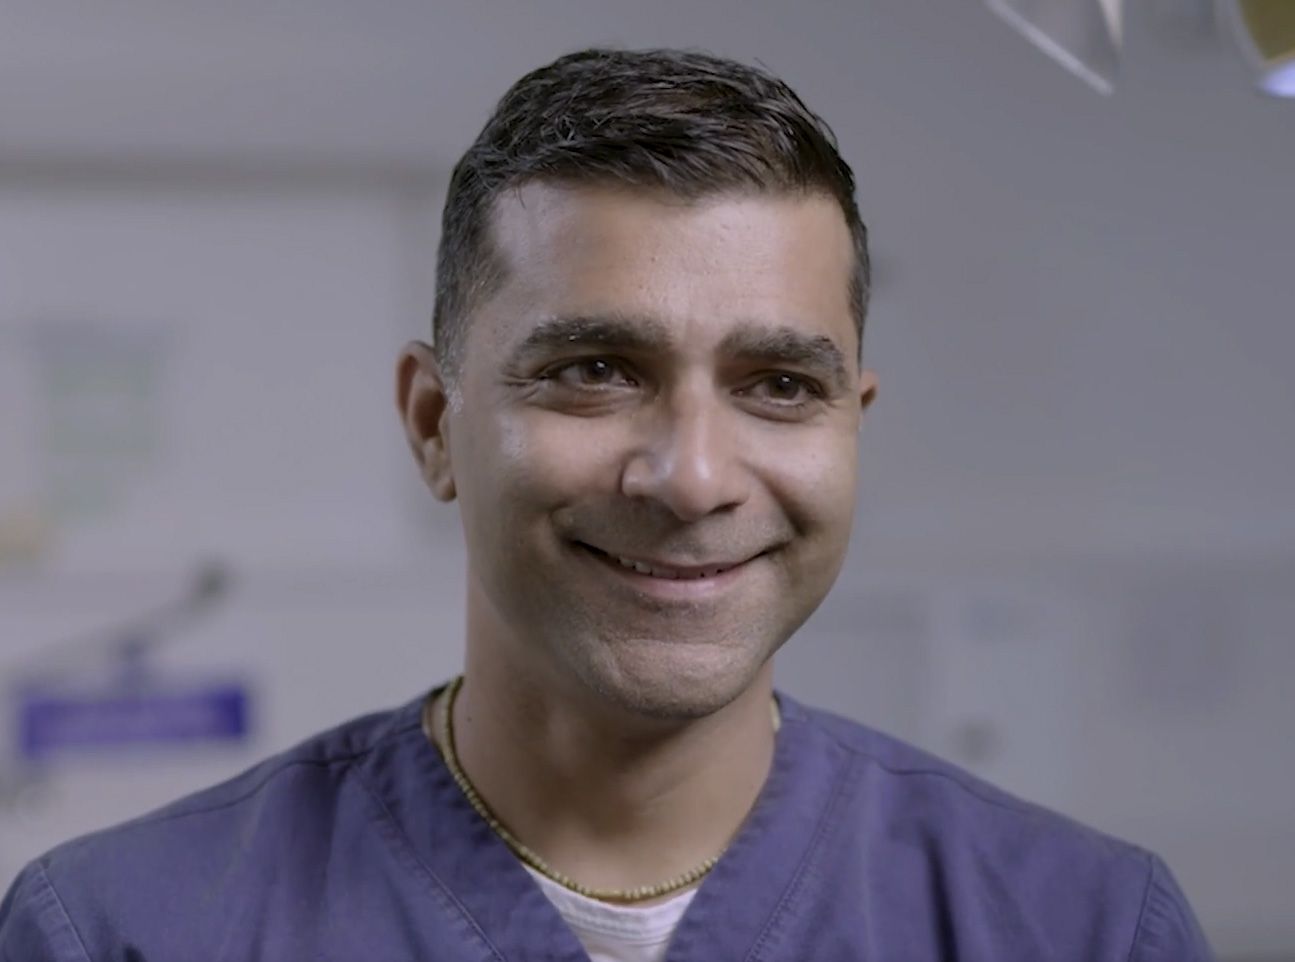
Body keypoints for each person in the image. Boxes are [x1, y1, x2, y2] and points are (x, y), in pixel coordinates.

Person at [0, 48, 1213, 962]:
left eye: (779, 385)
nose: (691, 477)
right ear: (433, 423)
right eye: (594, 370)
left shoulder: (1083, 926)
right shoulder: (118, 929)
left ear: (852, 421)